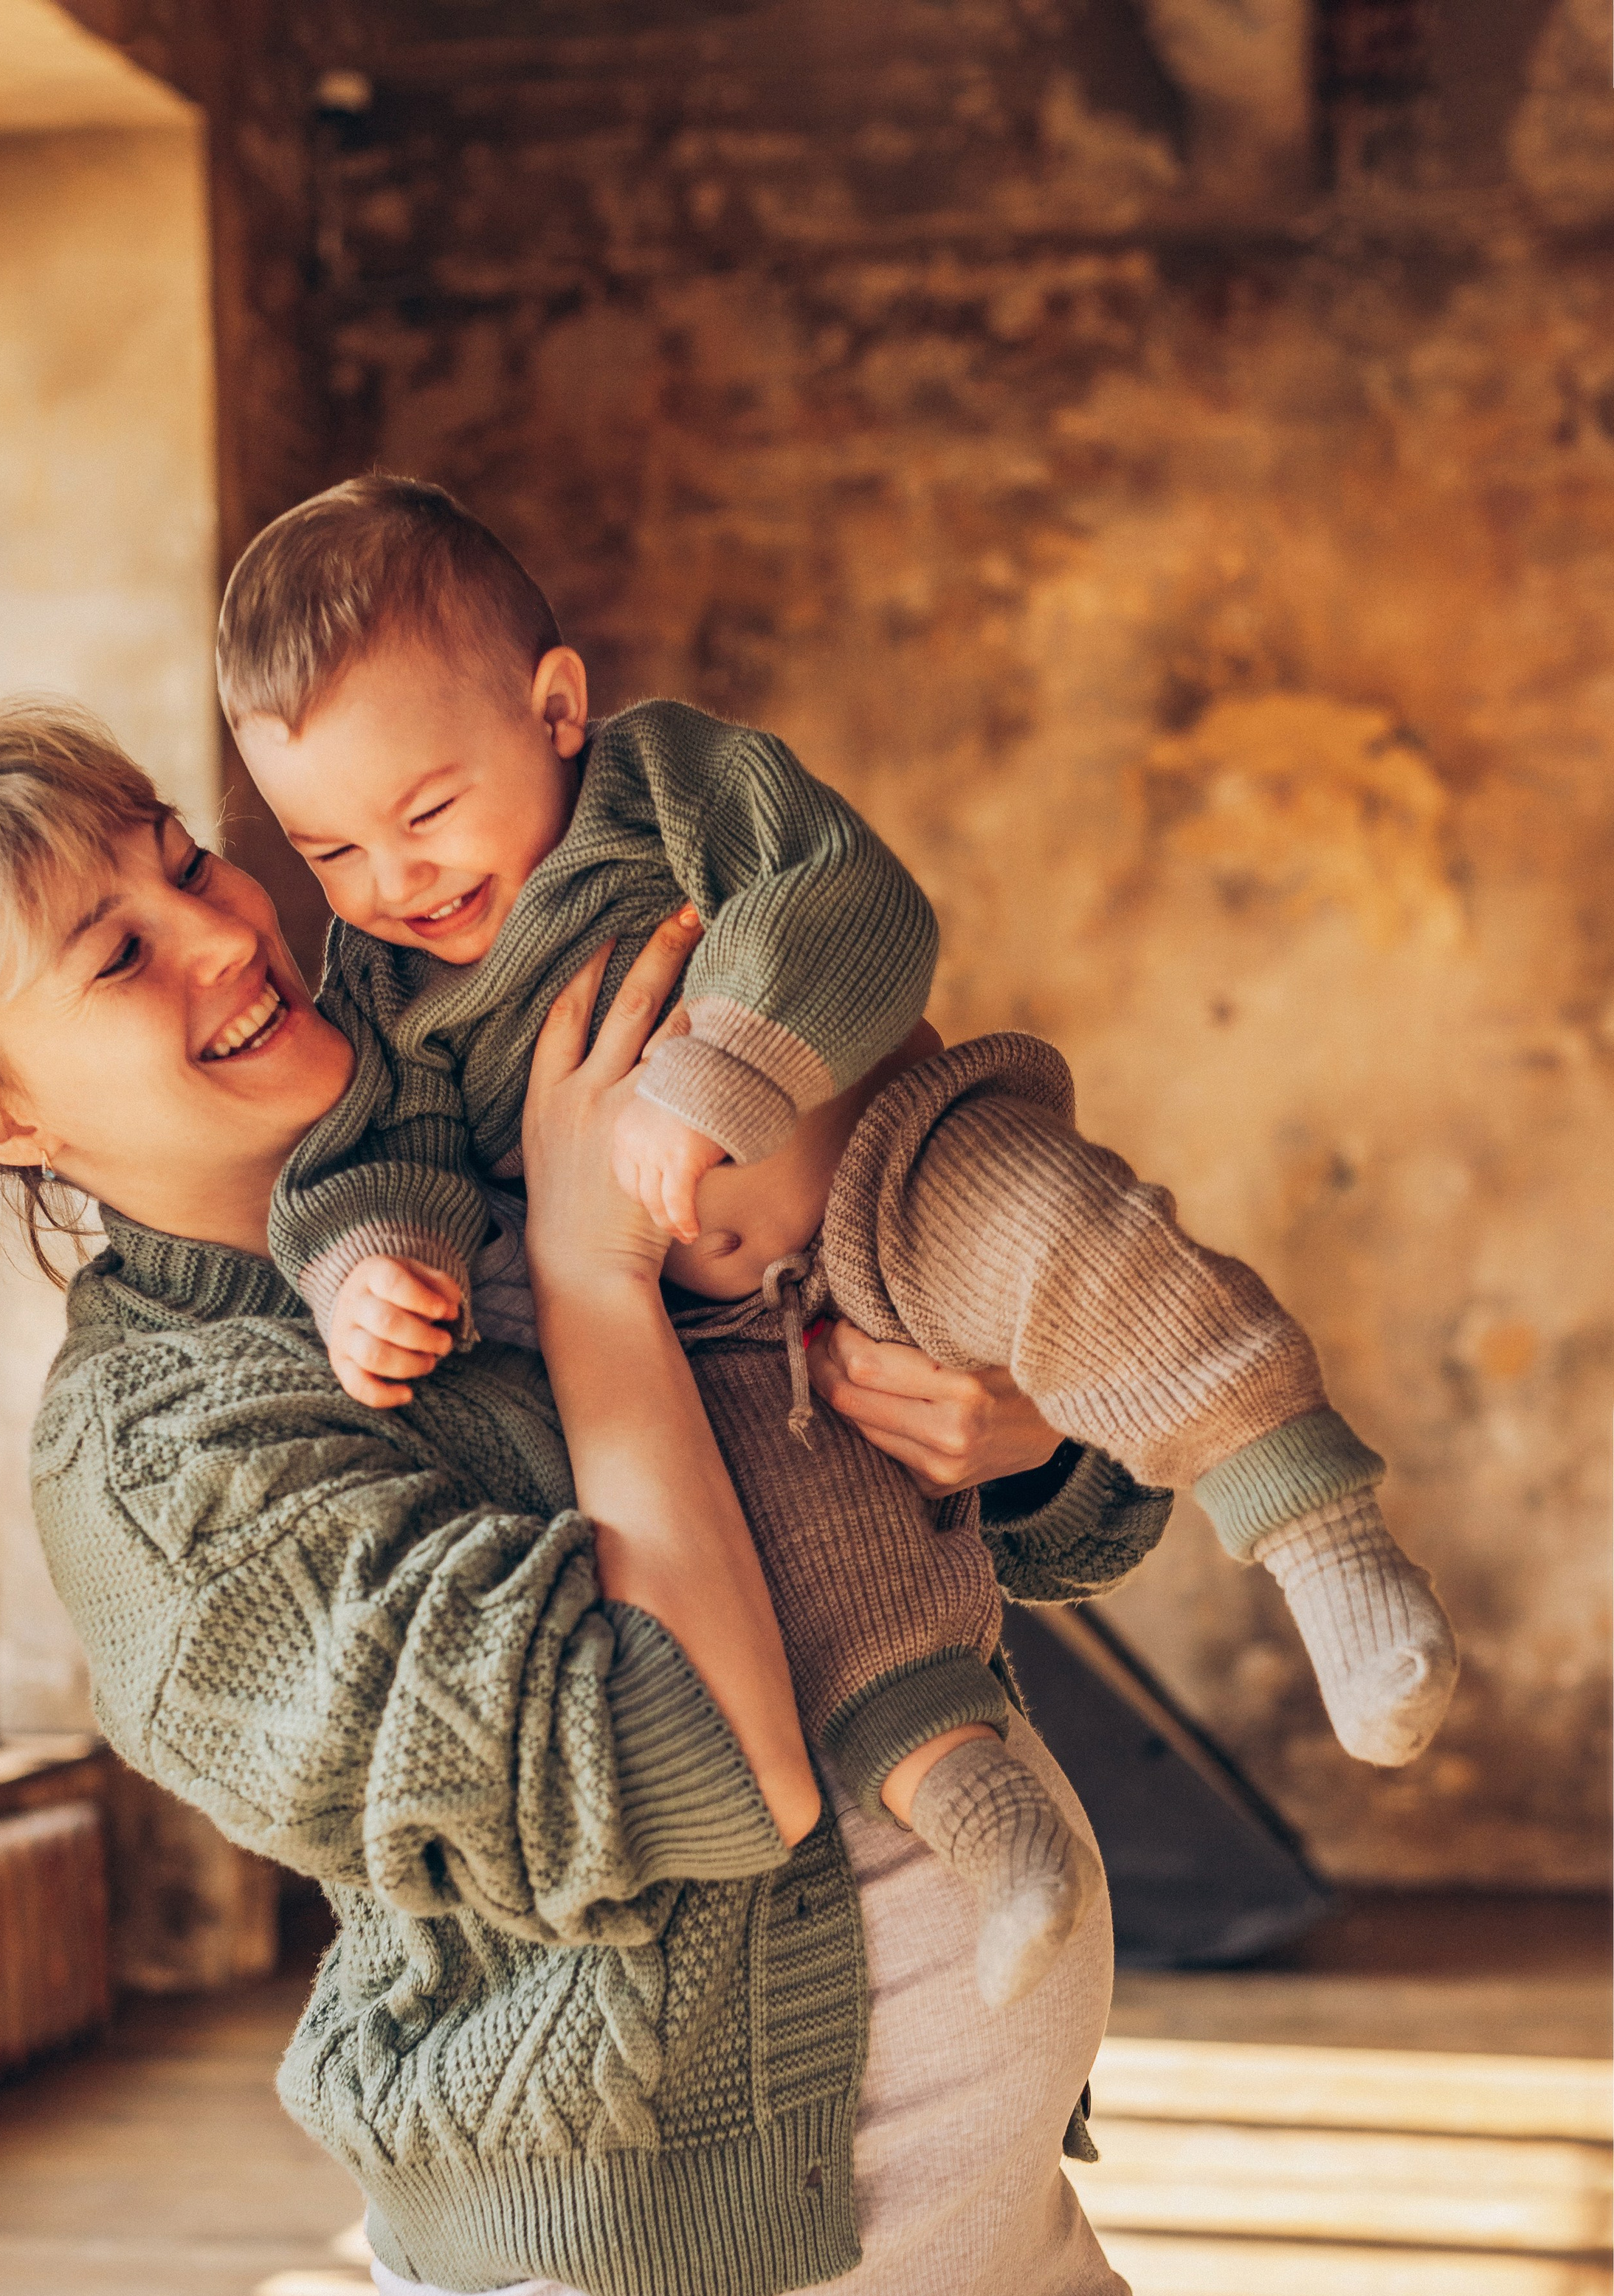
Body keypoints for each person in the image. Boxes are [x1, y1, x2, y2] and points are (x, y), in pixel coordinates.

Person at [0, 700, 1245, 2296]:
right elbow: (703, 1754)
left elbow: (1034, 1527)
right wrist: (602, 1280)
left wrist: (1019, 1444)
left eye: (185, 857)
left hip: (987, 2254)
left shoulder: (481, 1127)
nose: (226, 928)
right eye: (118, 952)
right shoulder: (168, 1465)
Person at [213, 471, 1457, 2001]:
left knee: (1078, 1255)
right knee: (806, 1568)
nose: (391, 882)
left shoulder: (667, 783)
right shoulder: (383, 990)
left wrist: (717, 1068)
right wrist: (363, 1267)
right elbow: (368, 1148)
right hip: (722, 1344)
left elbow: (848, 900)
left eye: (422, 811)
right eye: (325, 850)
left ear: (552, 707)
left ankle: (1318, 1529)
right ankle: (987, 1826)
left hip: (893, 1164)